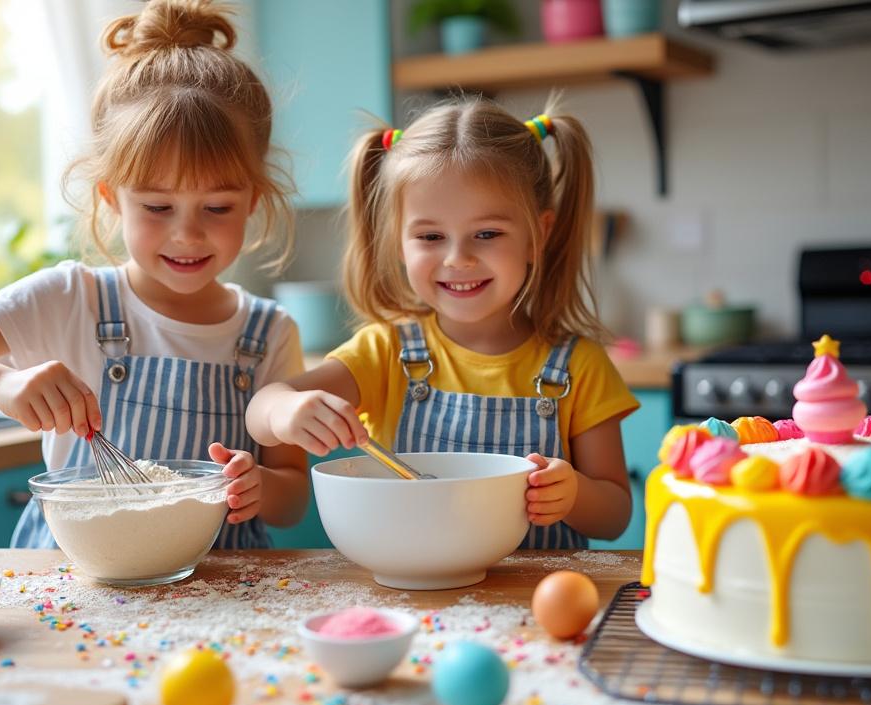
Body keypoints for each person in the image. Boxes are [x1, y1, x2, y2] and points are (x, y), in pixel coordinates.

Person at [0, 0, 308, 548]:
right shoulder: (69, 299)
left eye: (217, 208)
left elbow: (292, 497)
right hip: (78, 591)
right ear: (112, 198)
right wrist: (1, 384)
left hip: (215, 595)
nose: (188, 235)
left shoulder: (269, 332)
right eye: (156, 207)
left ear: (253, 201)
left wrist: (260, 486)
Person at [246, 98, 637, 548]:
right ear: (398, 242)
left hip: (534, 608)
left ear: (538, 234)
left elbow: (615, 517)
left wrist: (573, 494)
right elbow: (263, 409)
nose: (458, 259)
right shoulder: (386, 352)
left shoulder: (579, 367)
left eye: (487, 234)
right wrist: (287, 411)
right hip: (416, 605)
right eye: (431, 237)